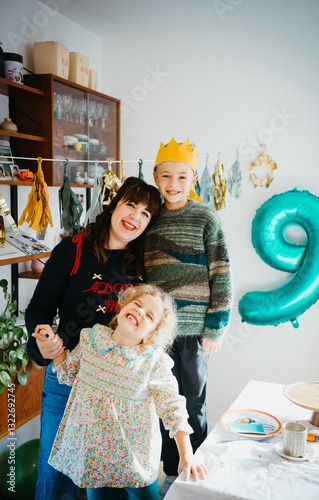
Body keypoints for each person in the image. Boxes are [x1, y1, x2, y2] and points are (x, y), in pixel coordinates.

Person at [25, 177, 161, 500]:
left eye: (145, 214)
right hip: (66, 377)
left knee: (100, 485)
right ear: (115, 204)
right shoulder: (72, 250)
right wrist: (42, 341)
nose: (135, 217)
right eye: (131, 205)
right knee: (56, 478)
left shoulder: (142, 264)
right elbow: (39, 309)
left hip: (118, 388)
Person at [32, 284, 208, 500]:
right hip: (95, 458)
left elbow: (172, 407)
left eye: (150, 316)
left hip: (137, 459)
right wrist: (53, 346)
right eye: (137, 304)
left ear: (152, 334)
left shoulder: (154, 361)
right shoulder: (90, 340)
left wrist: (186, 454)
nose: (140, 311)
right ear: (122, 306)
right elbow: (69, 374)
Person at [144, 138, 233, 496]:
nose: (173, 183)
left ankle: (193, 466)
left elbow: (222, 272)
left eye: (182, 176)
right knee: (161, 401)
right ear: (155, 176)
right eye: (166, 176)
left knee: (193, 400)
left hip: (196, 332)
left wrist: (216, 326)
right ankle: (169, 471)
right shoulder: (149, 218)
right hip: (157, 332)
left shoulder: (206, 218)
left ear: (193, 180)